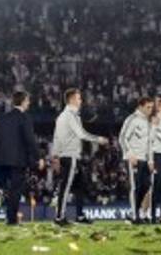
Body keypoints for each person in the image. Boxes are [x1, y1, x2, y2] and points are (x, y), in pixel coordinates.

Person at [51, 88, 108, 226]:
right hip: (70, 156)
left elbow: (56, 137)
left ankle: (80, 215)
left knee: (79, 187)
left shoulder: (62, 116)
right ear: (71, 100)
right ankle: (59, 217)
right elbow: (81, 134)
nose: (81, 101)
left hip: (70, 156)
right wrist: (98, 139)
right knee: (66, 187)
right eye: (79, 98)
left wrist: (55, 156)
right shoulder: (70, 115)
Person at [0, 91, 40, 225]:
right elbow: (30, 139)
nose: (29, 103)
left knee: (9, 190)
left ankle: (9, 217)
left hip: (3, 160)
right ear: (23, 101)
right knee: (16, 190)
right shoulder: (24, 117)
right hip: (18, 160)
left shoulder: (3, 117)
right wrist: (38, 157)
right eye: (28, 100)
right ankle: (12, 219)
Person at [119, 97, 154, 224]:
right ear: (140, 106)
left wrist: (150, 160)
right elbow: (123, 138)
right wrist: (130, 154)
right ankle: (134, 216)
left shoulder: (148, 121)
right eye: (148, 107)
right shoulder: (132, 119)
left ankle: (133, 213)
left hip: (144, 159)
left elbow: (149, 143)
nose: (150, 110)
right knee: (135, 187)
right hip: (133, 158)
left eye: (151, 107)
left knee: (146, 185)